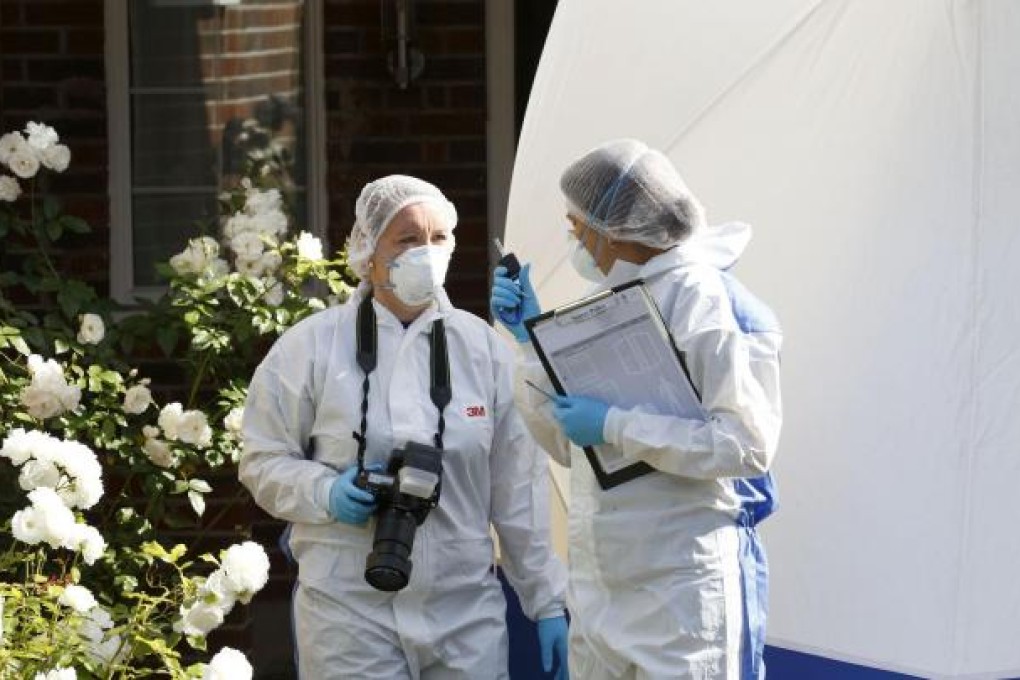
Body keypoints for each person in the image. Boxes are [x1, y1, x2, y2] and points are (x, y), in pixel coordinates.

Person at [240, 175, 569, 679]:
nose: (427, 253)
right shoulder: (311, 348)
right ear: (369, 252)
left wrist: (546, 601)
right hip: (348, 614)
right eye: (409, 240)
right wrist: (325, 491)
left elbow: (517, 490)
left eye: (439, 239)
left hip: (464, 616)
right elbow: (261, 460)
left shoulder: (482, 351)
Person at [490, 139, 782, 679]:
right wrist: (532, 346)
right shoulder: (615, 299)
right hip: (604, 592)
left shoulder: (704, 301)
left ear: (616, 227)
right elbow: (566, 445)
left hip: (683, 595)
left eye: (579, 225)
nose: (574, 238)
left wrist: (615, 425)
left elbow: (747, 444)